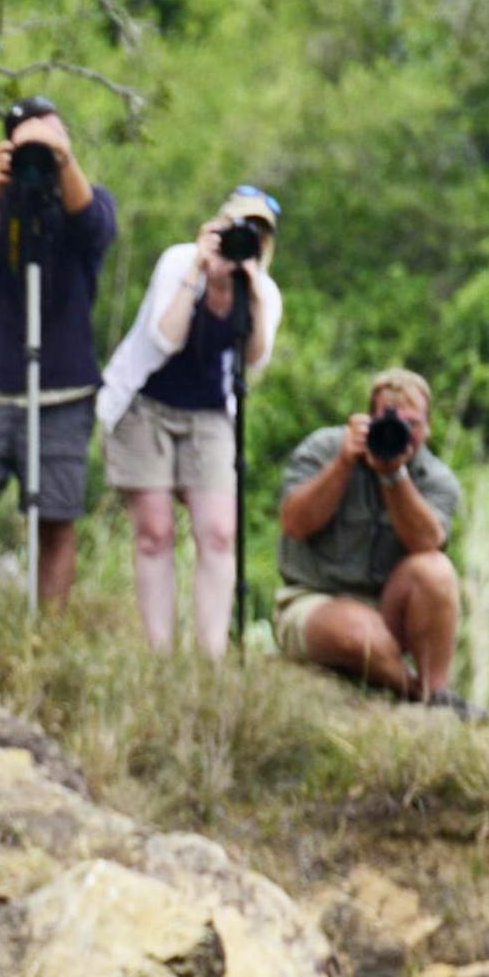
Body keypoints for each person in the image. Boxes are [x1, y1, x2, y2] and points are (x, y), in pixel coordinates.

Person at [0, 95, 117, 618]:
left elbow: (96, 231)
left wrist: (60, 161)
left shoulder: (89, 202)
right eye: (28, 142)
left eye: (52, 139)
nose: (40, 153)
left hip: (64, 388)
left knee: (55, 517)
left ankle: (44, 641)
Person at [97, 187, 283, 655]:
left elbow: (255, 360)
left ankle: (211, 657)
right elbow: (164, 338)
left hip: (210, 415)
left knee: (219, 531)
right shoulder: (180, 262)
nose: (246, 240)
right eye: (238, 228)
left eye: (257, 234)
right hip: (144, 405)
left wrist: (251, 293)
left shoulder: (263, 290)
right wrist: (202, 270)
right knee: (155, 531)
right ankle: (162, 654)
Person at [273, 368, 479, 717]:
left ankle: (437, 686)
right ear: (368, 419)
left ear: (428, 428)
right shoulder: (325, 448)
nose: (401, 432)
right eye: (390, 420)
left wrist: (393, 476)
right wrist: (342, 464)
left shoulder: (436, 478)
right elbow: (294, 524)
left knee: (437, 569)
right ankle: (420, 695)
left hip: (385, 607)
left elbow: (427, 541)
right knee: (359, 633)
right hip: (313, 602)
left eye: (412, 424)